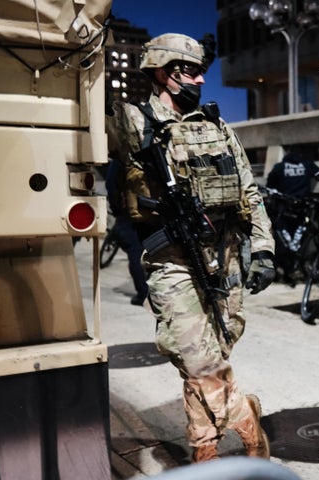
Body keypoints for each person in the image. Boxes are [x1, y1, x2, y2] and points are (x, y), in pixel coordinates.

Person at [106, 33, 276, 464]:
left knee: (214, 356)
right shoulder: (133, 122)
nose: (201, 79)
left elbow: (249, 192)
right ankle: (246, 421)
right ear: (163, 72)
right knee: (195, 358)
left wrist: (263, 249)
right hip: (172, 259)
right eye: (190, 71)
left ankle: (205, 451)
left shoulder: (217, 127)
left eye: (201, 70)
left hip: (226, 256)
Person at [265, 150, 319, 285]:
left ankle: (286, 268)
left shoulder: (279, 167)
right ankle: (295, 267)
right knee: (298, 241)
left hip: (283, 208)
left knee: (283, 241)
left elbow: (269, 185)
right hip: (302, 208)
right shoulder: (307, 165)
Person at [104, 157, 149, 305]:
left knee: (135, 253)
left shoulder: (121, 159)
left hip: (129, 214)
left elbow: (111, 186)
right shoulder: (149, 152)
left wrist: (117, 211)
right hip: (152, 212)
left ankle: (144, 294)